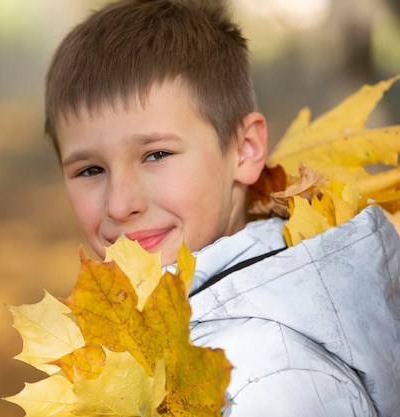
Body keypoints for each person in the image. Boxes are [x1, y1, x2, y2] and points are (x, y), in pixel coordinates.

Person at [44, 0, 400, 416]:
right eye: (90, 170)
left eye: (156, 155)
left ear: (245, 150)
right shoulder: (142, 335)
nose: (121, 204)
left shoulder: (268, 382)